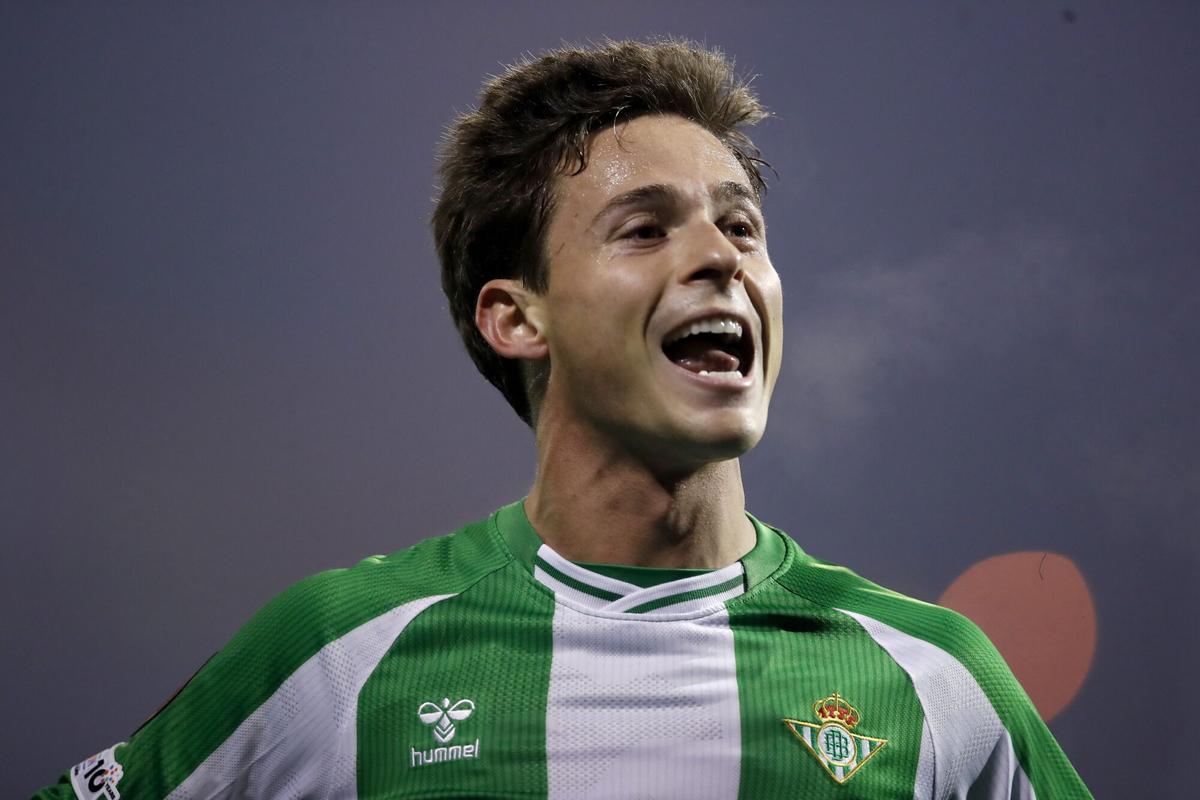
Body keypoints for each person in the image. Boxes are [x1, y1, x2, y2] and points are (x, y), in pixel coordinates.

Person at [35, 39, 1092, 799]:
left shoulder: (932, 673)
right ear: (516, 314)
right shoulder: (339, 651)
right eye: (645, 229)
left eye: (741, 225)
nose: (721, 256)